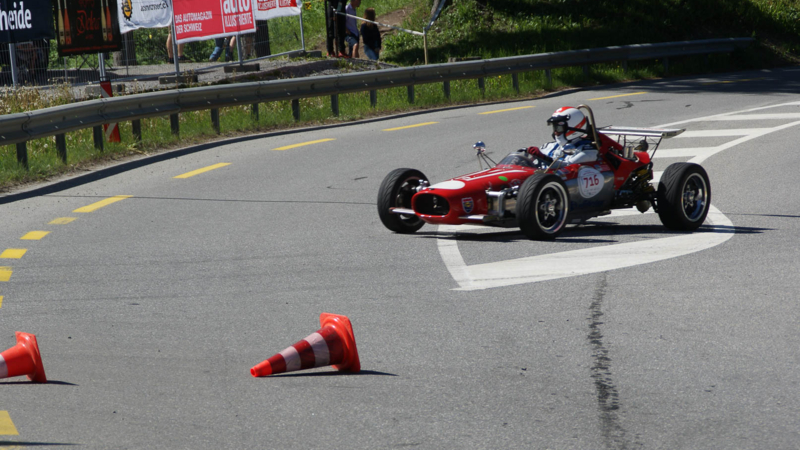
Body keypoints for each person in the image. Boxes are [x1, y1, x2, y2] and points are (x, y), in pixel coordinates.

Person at [532, 106, 598, 169]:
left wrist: (544, 158)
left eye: (558, 128)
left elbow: (567, 166)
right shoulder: (550, 146)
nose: (555, 132)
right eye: (554, 128)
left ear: (573, 127)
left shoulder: (588, 150)